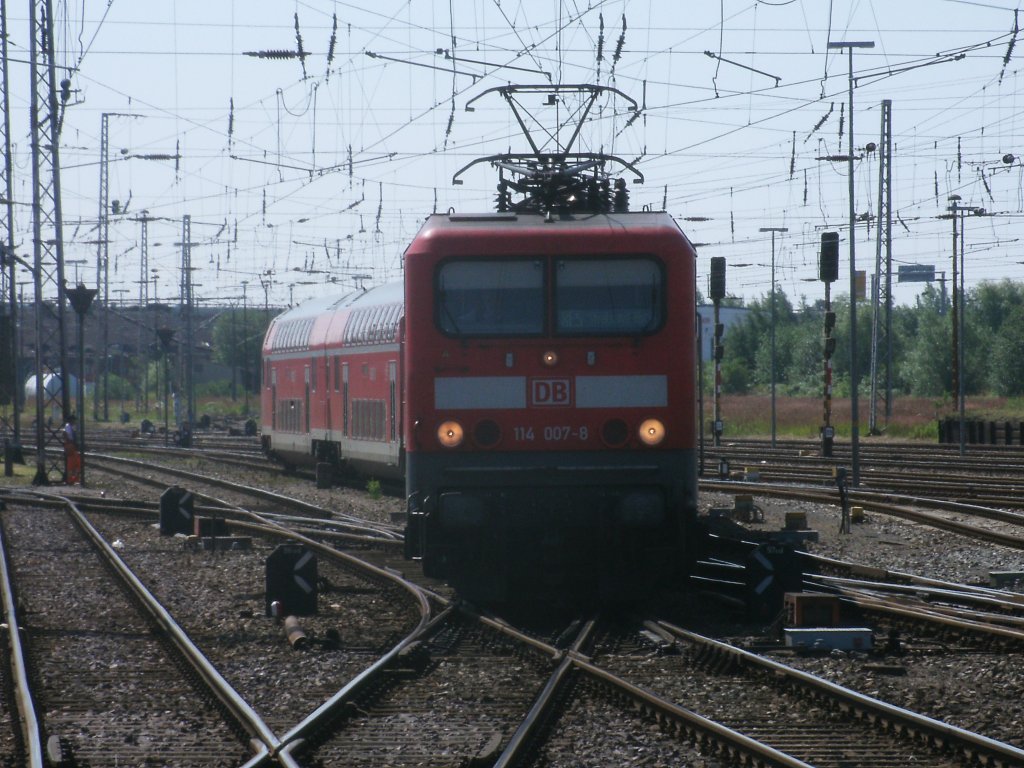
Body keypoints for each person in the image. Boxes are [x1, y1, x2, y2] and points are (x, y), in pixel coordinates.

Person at [63, 414, 81, 485]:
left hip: (72, 445)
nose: (75, 421)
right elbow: (65, 434)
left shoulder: (70, 427)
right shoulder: (68, 426)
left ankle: (74, 479)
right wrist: (69, 443)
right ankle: (70, 480)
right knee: (71, 464)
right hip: (70, 446)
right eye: (74, 420)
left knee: (77, 463)